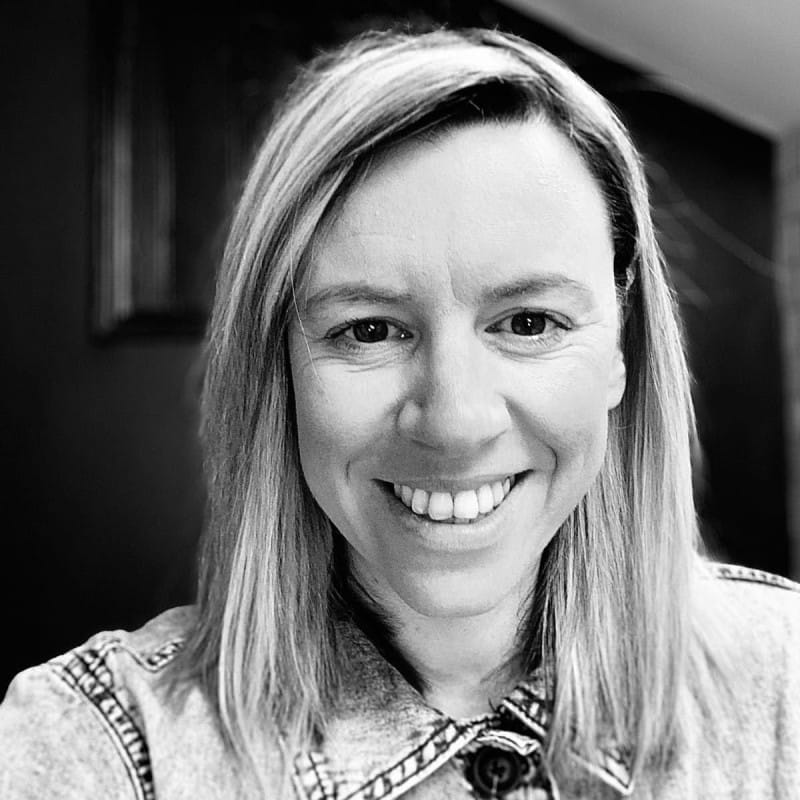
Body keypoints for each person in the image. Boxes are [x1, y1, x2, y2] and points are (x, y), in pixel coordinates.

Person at [1, 26, 798, 800]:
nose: (454, 423)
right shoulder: (99, 745)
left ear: (621, 351)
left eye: (527, 323)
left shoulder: (785, 688)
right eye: (370, 330)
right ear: (278, 363)